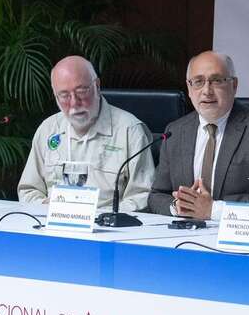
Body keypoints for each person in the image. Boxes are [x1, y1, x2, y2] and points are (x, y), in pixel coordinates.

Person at [148, 51, 249, 220]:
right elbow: (157, 195)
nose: (206, 91)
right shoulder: (175, 131)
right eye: (198, 82)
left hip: (238, 233)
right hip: (186, 231)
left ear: (234, 85)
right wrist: (177, 206)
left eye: (216, 80)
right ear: (189, 88)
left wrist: (213, 210)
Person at [18, 56, 154, 211]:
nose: (74, 103)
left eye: (81, 91)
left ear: (97, 86)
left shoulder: (130, 130)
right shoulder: (48, 129)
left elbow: (143, 195)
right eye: (64, 95)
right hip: (54, 220)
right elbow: (29, 190)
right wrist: (47, 207)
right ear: (55, 96)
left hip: (108, 223)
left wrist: (101, 216)